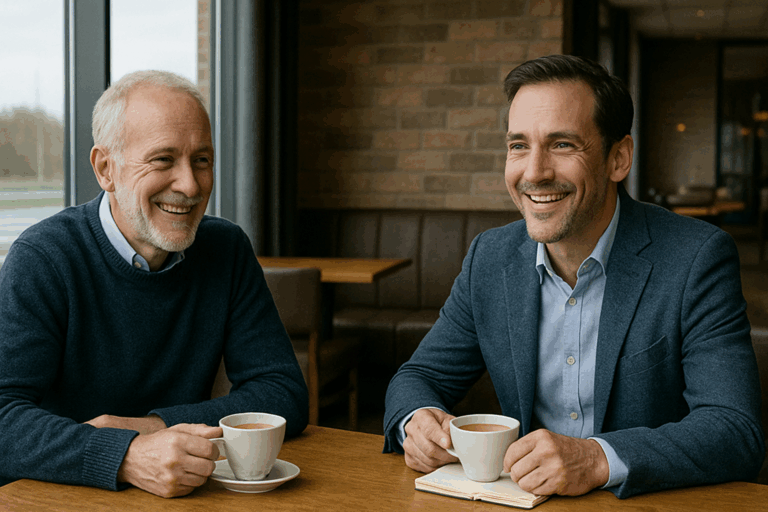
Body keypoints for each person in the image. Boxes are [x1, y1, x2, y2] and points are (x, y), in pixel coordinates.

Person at [383, 55, 764, 499]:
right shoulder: (490, 257)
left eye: (562, 145)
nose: (534, 172)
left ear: (618, 158)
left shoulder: (696, 257)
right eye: (518, 145)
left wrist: (597, 458)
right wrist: (418, 420)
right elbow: (418, 376)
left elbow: (735, 429)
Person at [0, 70, 308, 497]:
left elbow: (284, 393)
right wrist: (125, 456)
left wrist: (154, 426)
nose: (190, 184)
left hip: (185, 496)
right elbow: (3, 418)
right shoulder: (44, 257)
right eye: (164, 160)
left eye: (201, 160)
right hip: (58, 497)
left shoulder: (226, 248)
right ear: (106, 169)